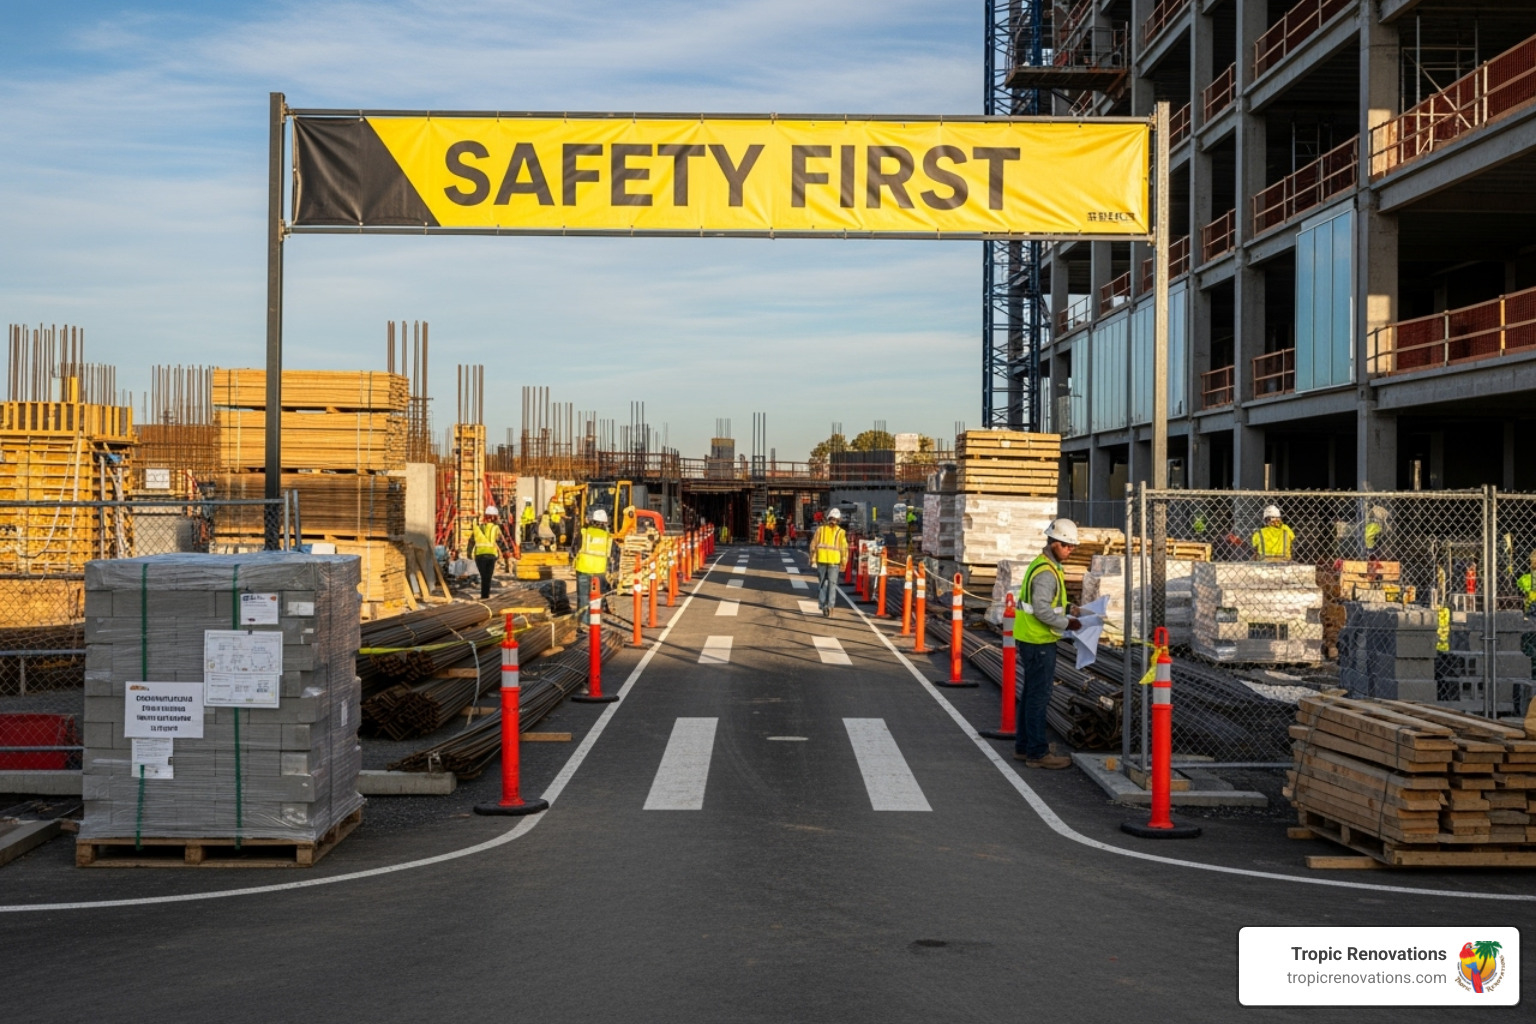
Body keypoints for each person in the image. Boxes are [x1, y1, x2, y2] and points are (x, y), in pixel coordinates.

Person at [1013, 518, 1083, 769]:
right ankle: (1037, 753)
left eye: (1072, 546)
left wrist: (1072, 609)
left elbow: (1048, 604)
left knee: (1031, 695)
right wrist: (1068, 624)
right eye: (1066, 546)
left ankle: (1025, 746)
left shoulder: (1044, 565)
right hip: (1038, 641)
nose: (1070, 550)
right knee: (1038, 698)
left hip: (1032, 639)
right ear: (1054, 543)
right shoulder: (1046, 572)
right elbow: (1042, 610)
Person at [573, 508, 613, 626]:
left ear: (592, 521)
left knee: (583, 598)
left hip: (583, 569)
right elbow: (614, 554)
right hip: (599, 572)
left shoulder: (583, 533)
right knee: (596, 598)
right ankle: (594, 622)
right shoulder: (608, 537)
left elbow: (574, 550)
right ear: (605, 523)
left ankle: (584, 624)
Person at [810, 507, 849, 617]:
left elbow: (813, 545)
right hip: (831, 562)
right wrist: (843, 563)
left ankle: (826, 606)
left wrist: (813, 559)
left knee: (824, 584)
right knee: (830, 585)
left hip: (825, 561)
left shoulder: (822, 530)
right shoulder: (838, 532)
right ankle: (828, 607)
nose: (833, 521)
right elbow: (844, 549)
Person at [471, 505, 503, 600]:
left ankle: (484, 596)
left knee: (483, 576)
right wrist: (504, 552)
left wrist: (469, 553)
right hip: (490, 555)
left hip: (479, 555)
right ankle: (485, 596)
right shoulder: (495, 528)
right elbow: (500, 541)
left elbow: (471, 540)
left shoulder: (478, 528)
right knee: (487, 578)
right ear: (494, 517)